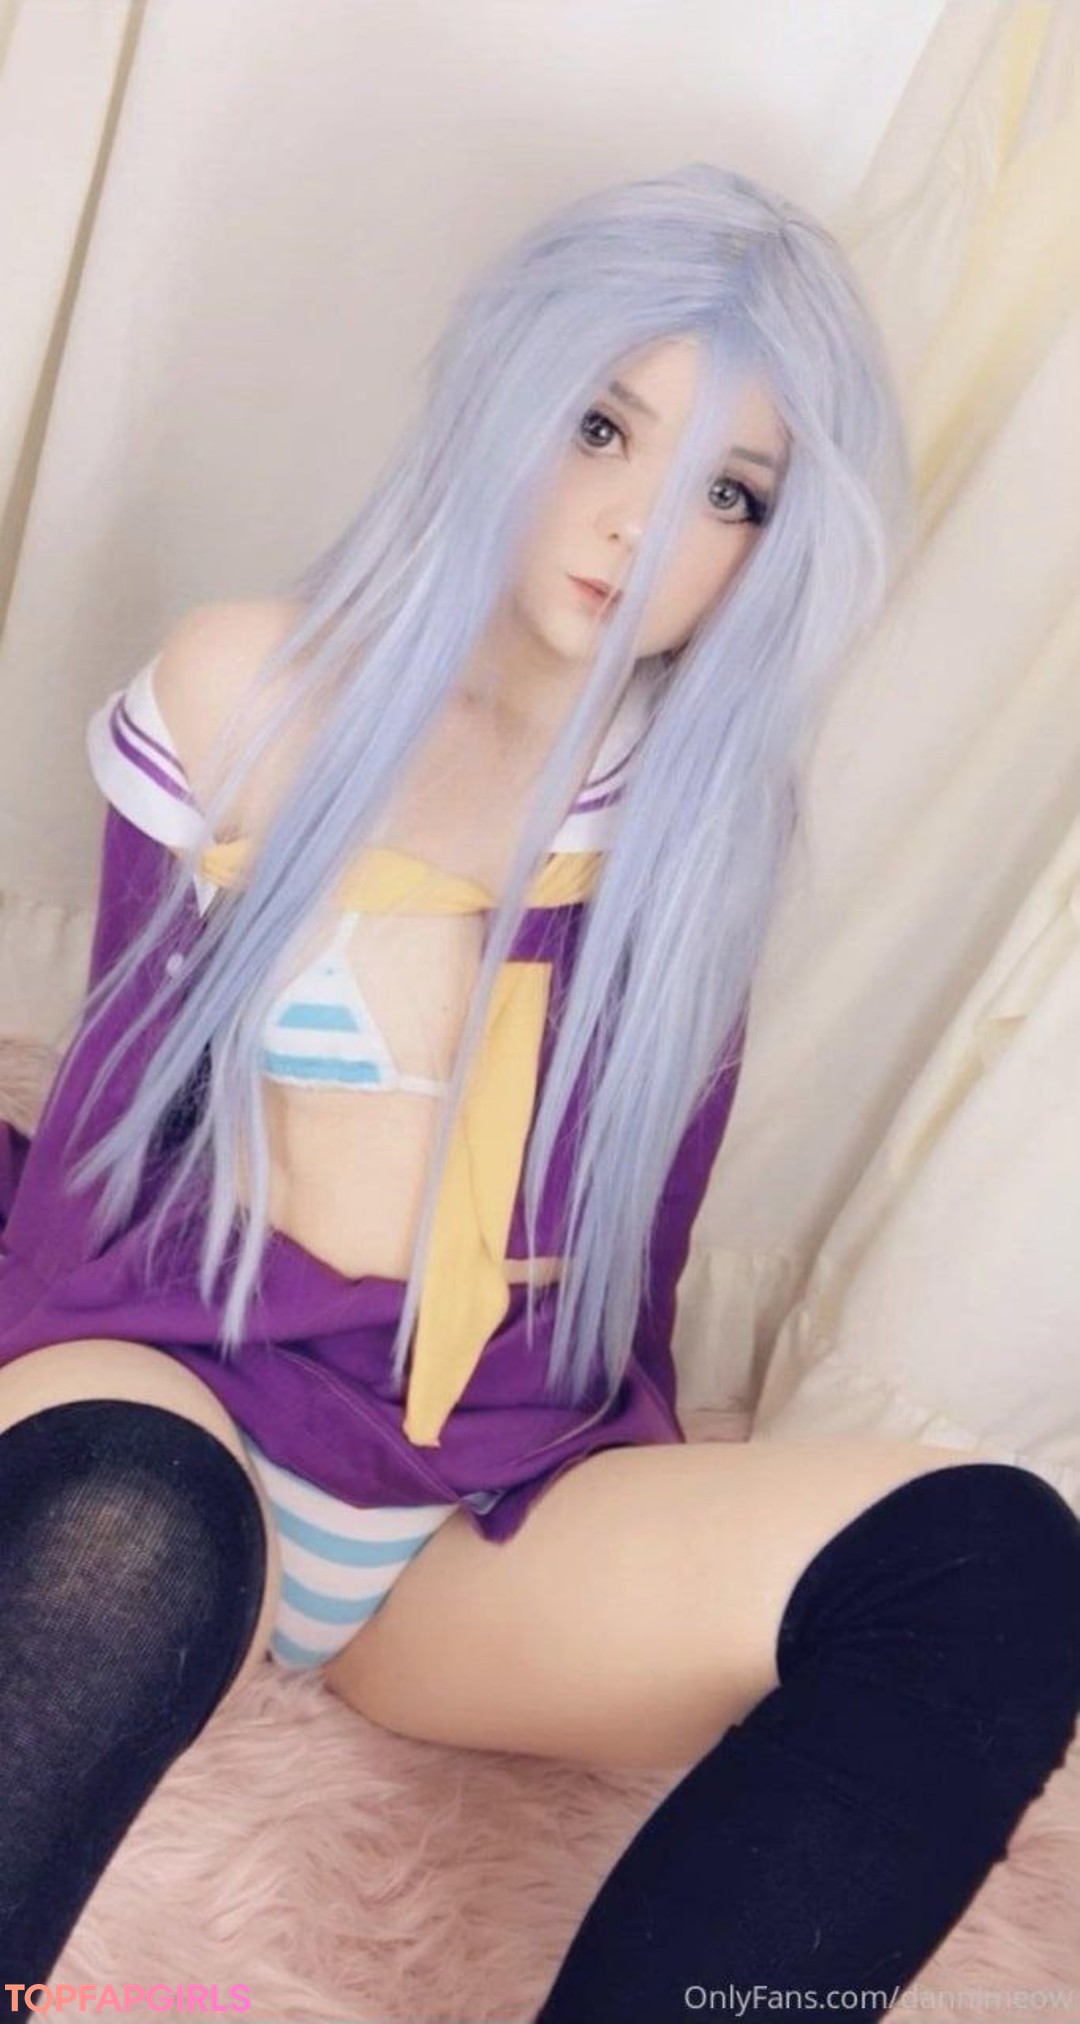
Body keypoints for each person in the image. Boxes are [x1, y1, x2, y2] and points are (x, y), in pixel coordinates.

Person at [0, 162, 1077, 2020]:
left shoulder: (694, 828)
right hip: (187, 1407)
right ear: (504, 397)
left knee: (997, 1564)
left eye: (730, 492)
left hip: (466, 1520)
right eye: (602, 425)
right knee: (127, 1524)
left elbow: (635, 1246)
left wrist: (622, 1517)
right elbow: (112, 1128)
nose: (641, 522)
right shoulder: (253, 687)